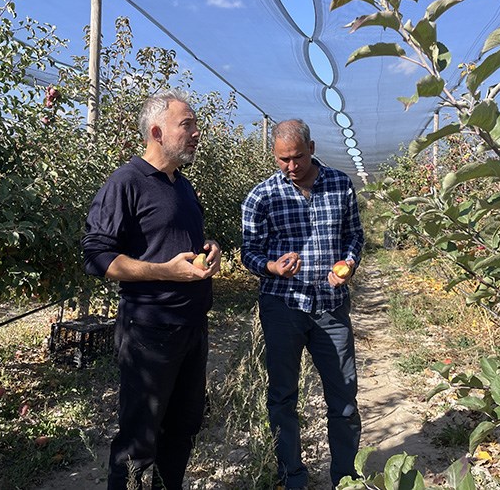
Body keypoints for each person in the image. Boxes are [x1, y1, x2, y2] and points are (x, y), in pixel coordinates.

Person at [82, 89, 221, 490]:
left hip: (191, 327)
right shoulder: (127, 182)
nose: (197, 133)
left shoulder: (181, 185)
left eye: (196, 124)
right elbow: (96, 255)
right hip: (150, 332)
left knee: (182, 427)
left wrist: (207, 247)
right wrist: (164, 272)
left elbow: (175, 239)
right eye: (188, 124)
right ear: (158, 132)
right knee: (140, 440)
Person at [240, 119, 364, 489]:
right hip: (283, 306)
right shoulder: (261, 197)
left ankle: (345, 476)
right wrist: (271, 267)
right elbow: (249, 253)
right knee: (282, 396)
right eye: (282, 160)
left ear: (311, 147)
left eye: (296, 157)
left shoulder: (340, 184)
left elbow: (354, 236)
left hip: (331, 304)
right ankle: (292, 475)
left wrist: (350, 264)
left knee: (343, 396)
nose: (291, 166)